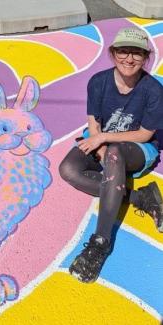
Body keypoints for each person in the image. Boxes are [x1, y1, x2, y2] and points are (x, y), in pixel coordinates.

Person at [59, 27, 163, 283]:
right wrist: (100, 145)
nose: (129, 58)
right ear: (113, 53)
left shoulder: (153, 90)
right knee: (68, 169)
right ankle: (142, 197)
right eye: (123, 51)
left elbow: (144, 134)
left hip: (138, 149)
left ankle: (100, 242)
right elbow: (93, 123)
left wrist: (105, 141)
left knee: (116, 153)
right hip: (102, 142)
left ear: (146, 57)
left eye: (137, 53)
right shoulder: (99, 82)